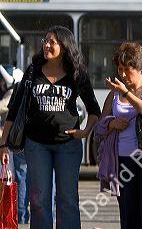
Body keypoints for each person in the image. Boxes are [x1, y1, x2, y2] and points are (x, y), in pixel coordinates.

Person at [0, 26, 101, 229]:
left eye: (52, 42)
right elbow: (15, 108)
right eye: (45, 41)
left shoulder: (77, 73)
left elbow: (94, 109)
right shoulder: (32, 71)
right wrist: (3, 144)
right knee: (38, 200)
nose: (46, 45)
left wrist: (85, 131)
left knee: (67, 200)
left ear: (64, 47)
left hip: (68, 146)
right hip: (36, 145)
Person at [94, 42, 142, 229]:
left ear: (139, 68)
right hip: (123, 159)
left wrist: (126, 92)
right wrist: (112, 123)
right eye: (120, 69)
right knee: (128, 215)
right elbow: (99, 127)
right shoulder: (115, 94)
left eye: (128, 69)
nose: (124, 74)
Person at [0, 64, 30, 224]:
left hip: (19, 141)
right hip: (36, 141)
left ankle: (21, 216)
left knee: (21, 177)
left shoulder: (16, 89)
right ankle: (48, 215)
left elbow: (7, 110)